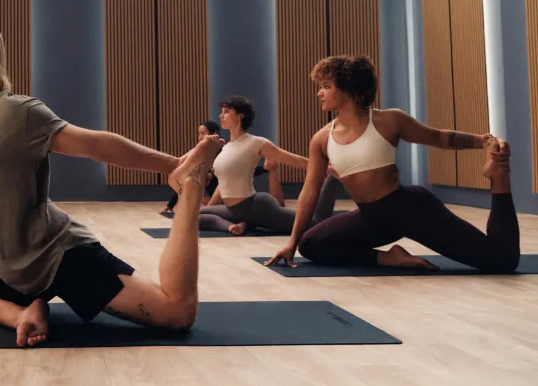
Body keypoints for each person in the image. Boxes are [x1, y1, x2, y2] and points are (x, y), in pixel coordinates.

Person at [0, 20, 222, 347]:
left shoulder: (19, 113)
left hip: (59, 258)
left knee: (176, 314)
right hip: (11, 270)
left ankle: (191, 185)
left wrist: (172, 165)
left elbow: (96, 145)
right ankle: (20, 315)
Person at [265, 55, 519, 272]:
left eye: (326, 86)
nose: (319, 93)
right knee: (310, 244)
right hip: (371, 218)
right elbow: (310, 191)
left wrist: (484, 141)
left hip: (410, 210)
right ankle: (390, 257)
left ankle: (500, 176)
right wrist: (291, 241)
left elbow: (439, 137)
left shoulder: (389, 120)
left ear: (348, 88)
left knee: (502, 261)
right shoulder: (321, 139)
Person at [198, 96, 341, 235]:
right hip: (235, 210)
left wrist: (326, 168)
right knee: (195, 215)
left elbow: (292, 159)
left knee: (314, 225)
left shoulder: (255, 142)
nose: (221, 116)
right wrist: (211, 204)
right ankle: (237, 225)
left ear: (240, 116)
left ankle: (334, 179)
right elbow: (223, 182)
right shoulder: (227, 146)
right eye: (222, 112)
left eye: (227, 111)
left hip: (256, 207)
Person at [159, 120, 267, 214]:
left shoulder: (226, 151)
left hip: (230, 195)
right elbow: (184, 180)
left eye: (202, 133)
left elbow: (243, 171)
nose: (200, 137)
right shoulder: (199, 154)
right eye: (198, 134)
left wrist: (264, 168)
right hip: (213, 198)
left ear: (214, 134)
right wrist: (170, 205)